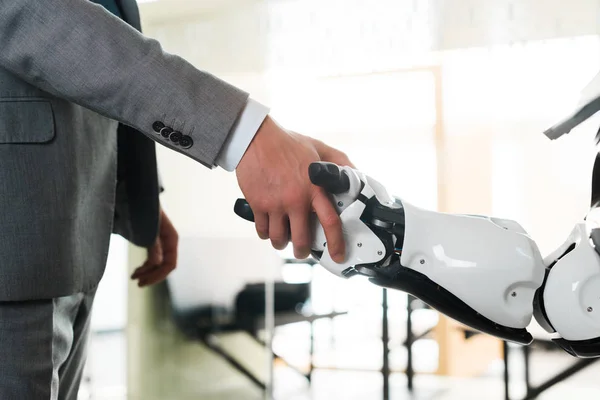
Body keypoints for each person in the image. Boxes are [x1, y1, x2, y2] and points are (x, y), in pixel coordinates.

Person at [0, 0, 353, 398]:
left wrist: (139, 199)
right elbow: (45, 19)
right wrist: (242, 133)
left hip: (74, 233)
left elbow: (92, 67)